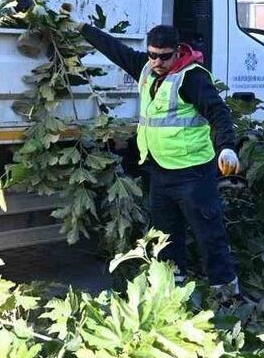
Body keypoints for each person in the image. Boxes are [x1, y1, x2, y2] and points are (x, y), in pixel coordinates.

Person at [77, 21, 242, 295]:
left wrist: (226, 147)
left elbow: (218, 113)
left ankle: (228, 299)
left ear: (177, 51)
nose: (157, 61)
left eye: (164, 56)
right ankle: (171, 295)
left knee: (209, 237)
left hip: (194, 175)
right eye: (152, 54)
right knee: (166, 240)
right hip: (161, 173)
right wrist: (83, 28)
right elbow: (116, 50)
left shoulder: (192, 78)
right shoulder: (147, 68)